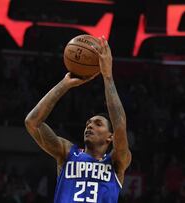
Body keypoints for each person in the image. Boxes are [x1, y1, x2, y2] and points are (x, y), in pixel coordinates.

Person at [25, 36, 131, 203]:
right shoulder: (67, 152)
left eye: (98, 124)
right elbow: (32, 123)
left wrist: (108, 77)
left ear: (110, 137)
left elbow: (119, 126)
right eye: (88, 123)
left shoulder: (117, 161)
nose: (89, 126)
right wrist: (64, 84)